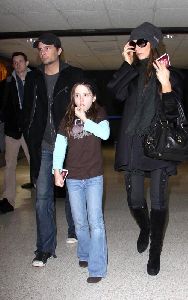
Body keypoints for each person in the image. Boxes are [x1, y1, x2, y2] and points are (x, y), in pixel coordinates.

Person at [107, 22, 183, 276]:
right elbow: (114, 94)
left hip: (159, 147)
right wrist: (126, 64)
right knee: (135, 199)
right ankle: (145, 227)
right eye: (134, 42)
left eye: (142, 42)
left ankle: (155, 253)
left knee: (159, 202)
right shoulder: (131, 73)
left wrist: (166, 85)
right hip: (133, 146)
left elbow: (175, 116)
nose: (137, 47)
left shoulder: (169, 73)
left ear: (153, 44)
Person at [23, 33, 83, 267]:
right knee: (42, 199)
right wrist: (29, 134)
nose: (43, 51)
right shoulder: (34, 79)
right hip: (44, 147)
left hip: (69, 144)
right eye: (40, 48)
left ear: (59, 50)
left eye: (48, 47)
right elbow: (30, 110)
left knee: (72, 191)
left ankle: (74, 229)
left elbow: (84, 104)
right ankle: (44, 249)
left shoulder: (74, 75)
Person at [53, 80, 110, 283]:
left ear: (93, 97)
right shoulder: (67, 118)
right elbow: (60, 147)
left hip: (94, 177)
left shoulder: (99, 113)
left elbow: (104, 134)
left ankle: (97, 268)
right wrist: (57, 171)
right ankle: (84, 254)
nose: (81, 99)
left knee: (96, 223)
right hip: (74, 179)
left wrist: (85, 119)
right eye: (77, 95)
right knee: (79, 223)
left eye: (86, 94)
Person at [0, 52, 32, 214]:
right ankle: (8, 200)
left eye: (20, 61)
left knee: (35, 162)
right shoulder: (8, 82)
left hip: (30, 129)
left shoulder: (36, 80)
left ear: (26, 63)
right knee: (10, 165)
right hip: (12, 130)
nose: (18, 64)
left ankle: (44, 194)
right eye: (15, 62)